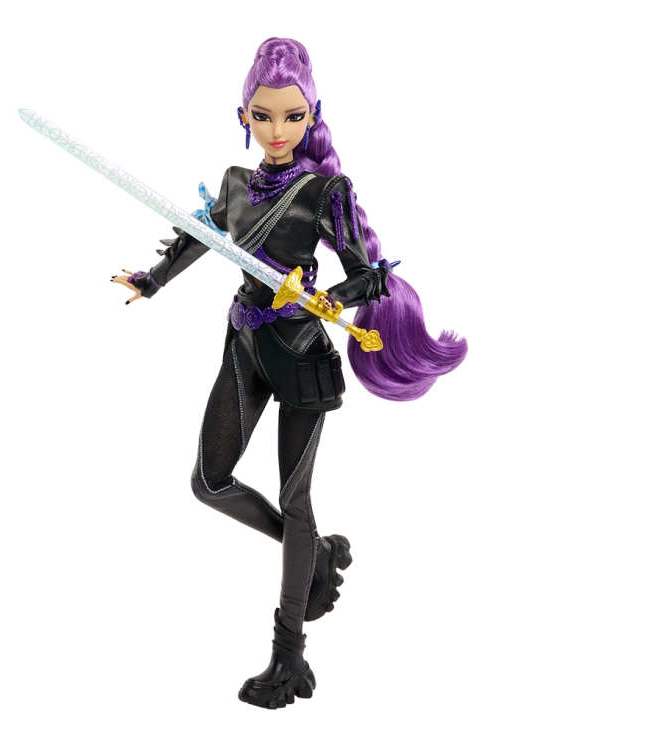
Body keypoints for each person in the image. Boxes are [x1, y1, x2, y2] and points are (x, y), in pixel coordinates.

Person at [111, 37, 467, 709]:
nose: (277, 130)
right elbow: (203, 234)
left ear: (312, 116)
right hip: (244, 342)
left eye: (292, 116)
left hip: (300, 352)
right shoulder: (234, 183)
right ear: (243, 115)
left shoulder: (325, 190)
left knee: (296, 500)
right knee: (209, 482)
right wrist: (153, 279)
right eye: (263, 115)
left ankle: (288, 658)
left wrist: (322, 294)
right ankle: (315, 553)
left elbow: (368, 273)